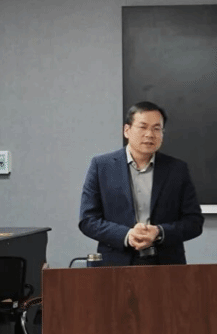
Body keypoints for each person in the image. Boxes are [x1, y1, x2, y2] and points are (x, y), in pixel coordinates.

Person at [79, 101, 204, 265]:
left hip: (166, 264)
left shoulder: (177, 169)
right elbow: (88, 220)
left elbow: (194, 222)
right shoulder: (102, 166)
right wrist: (127, 235)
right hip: (115, 264)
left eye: (156, 128)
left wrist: (159, 232)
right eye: (142, 127)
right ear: (127, 130)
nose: (149, 134)